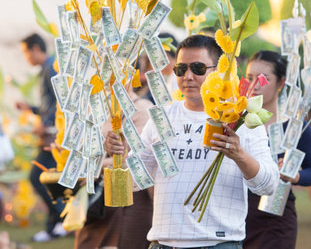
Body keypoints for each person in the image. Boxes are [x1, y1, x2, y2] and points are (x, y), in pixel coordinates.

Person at [105, 35, 278, 248]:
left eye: (197, 68)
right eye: (180, 69)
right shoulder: (161, 117)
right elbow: (134, 183)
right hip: (163, 243)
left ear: (218, 71)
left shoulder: (239, 117)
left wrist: (239, 154)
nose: (187, 76)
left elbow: (269, 185)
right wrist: (119, 156)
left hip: (218, 242)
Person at [243, 51, 311, 249]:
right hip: (237, 214)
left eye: (264, 79)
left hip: (276, 218)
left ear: (281, 82)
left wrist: (296, 176)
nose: (255, 84)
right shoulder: (235, 123)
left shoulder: (296, 128)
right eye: (250, 77)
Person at [75, 90, 154, 249]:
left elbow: (136, 159)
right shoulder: (99, 107)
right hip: (101, 195)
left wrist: (94, 167)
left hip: (131, 195)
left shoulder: (142, 109)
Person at [16, 33, 66, 242]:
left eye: (26, 52)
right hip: (49, 137)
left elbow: (60, 103)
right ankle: (54, 225)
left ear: (36, 48)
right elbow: (48, 107)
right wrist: (31, 109)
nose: (26, 57)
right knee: (48, 181)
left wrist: (44, 125)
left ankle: (64, 217)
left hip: (53, 139)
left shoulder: (52, 67)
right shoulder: (46, 68)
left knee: (38, 177)